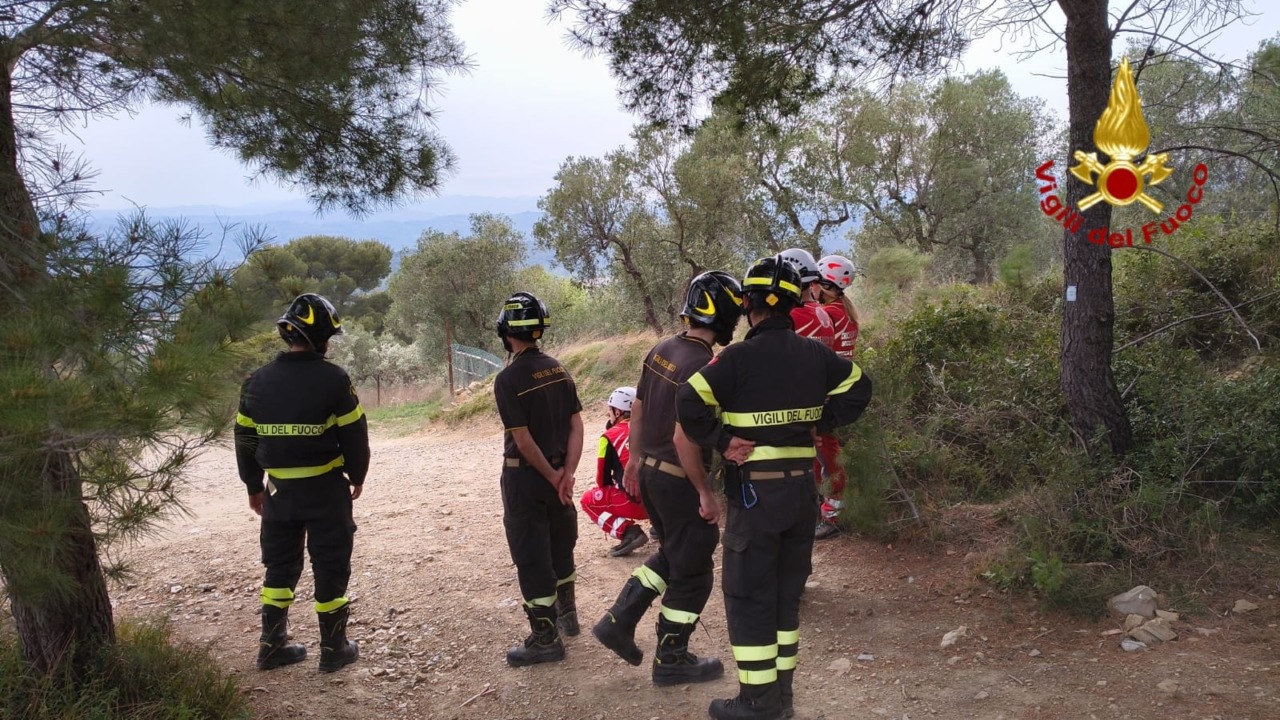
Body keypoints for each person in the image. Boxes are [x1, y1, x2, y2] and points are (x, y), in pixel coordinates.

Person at [676, 256, 872, 720]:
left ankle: (757, 702)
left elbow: (689, 399)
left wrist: (723, 441)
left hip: (756, 498)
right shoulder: (815, 354)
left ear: (747, 305)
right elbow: (860, 387)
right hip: (802, 496)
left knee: (748, 595)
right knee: (786, 594)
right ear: (793, 301)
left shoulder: (736, 359)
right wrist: (818, 419)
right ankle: (781, 698)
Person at [592, 270, 745, 687]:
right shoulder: (704, 364)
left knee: (676, 553)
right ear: (724, 315)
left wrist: (633, 460)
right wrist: (704, 491)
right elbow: (685, 437)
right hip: (678, 479)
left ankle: (618, 622)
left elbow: (638, 410)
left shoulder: (661, 348)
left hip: (652, 476)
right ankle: (672, 657)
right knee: (694, 568)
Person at [235, 293, 367, 674]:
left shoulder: (255, 382)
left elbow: (244, 439)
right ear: (323, 337)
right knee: (330, 566)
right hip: (325, 491)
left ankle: (271, 646)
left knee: (279, 568)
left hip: (277, 493)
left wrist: (253, 486)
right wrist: (357, 477)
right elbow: (355, 436)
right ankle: (333, 648)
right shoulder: (334, 379)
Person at [492, 291, 584, 667]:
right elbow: (577, 425)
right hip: (560, 475)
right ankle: (569, 617)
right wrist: (567, 475)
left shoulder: (508, 378)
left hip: (527, 480)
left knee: (531, 557)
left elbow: (523, 439)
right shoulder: (559, 369)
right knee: (561, 546)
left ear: (507, 332)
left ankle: (545, 639)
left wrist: (549, 475)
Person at [812, 254, 863, 539]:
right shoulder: (845, 312)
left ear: (823, 285)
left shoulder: (828, 314)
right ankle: (827, 509)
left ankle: (833, 514)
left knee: (826, 454)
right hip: (839, 391)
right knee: (827, 454)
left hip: (826, 394)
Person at [581, 386, 651, 557]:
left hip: (636, 502)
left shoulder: (609, 436)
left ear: (618, 412)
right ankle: (659, 526)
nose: (608, 414)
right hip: (665, 500)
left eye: (610, 410)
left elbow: (602, 479)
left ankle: (628, 532)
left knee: (587, 500)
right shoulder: (654, 427)